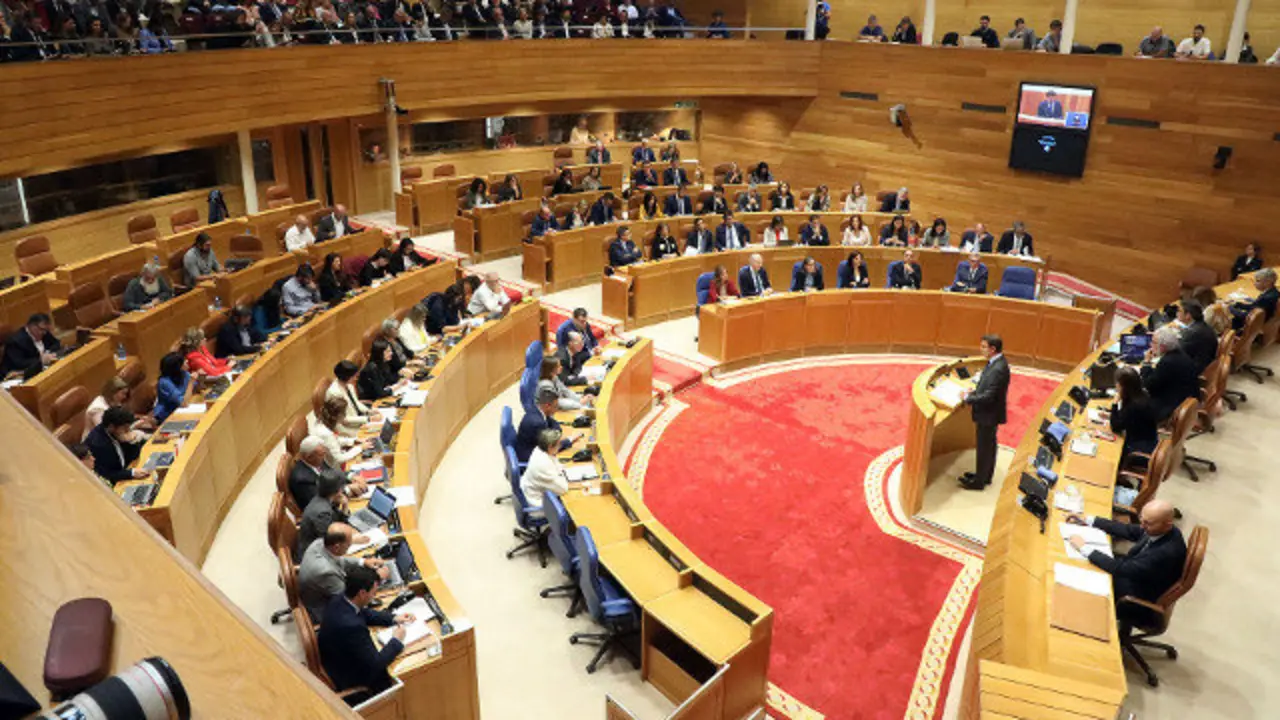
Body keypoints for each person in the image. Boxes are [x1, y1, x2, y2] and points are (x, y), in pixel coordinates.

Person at [1065, 500, 1186, 623]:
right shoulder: (1163, 529)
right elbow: (1128, 530)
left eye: (1147, 523)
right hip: (1135, 577)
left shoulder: (1165, 552)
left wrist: (1084, 548)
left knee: (1079, 579)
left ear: (1168, 524)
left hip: (1136, 598)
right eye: (1141, 520)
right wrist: (1089, 520)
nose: (1142, 526)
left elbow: (1122, 569)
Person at [318, 566, 415, 701]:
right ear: (362, 593)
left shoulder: (341, 599)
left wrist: (393, 618)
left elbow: (363, 612)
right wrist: (396, 641)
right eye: (373, 593)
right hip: (352, 677)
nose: (374, 596)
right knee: (405, 673)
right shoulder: (352, 627)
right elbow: (375, 665)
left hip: (336, 660)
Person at [299, 525, 387, 621]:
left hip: (322, 592)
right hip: (323, 611)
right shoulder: (325, 572)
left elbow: (339, 559)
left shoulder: (320, 543)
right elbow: (350, 599)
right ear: (337, 547)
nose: (349, 548)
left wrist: (364, 562)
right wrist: (376, 579)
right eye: (348, 545)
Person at [960, 335, 1010, 490]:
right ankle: (984, 475)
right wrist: (974, 391)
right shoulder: (996, 363)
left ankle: (979, 482)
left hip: (989, 414)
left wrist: (969, 398)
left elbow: (989, 396)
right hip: (990, 413)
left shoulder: (998, 368)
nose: (981, 349)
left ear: (993, 349)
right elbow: (986, 386)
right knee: (989, 445)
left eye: (983, 346)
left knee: (984, 447)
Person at [1141, 325, 1200, 421]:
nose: (1150, 345)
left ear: (1163, 346)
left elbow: (1148, 385)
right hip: (1184, 397)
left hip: (1171, 406)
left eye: (1154, 342)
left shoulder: (1167, 362)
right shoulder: (1179, 353)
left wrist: (1146, 363)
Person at [1107, 366, 1160, 467]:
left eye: (1118, 384)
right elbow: (1123, 418)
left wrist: (1114, 404)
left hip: (1139, 451)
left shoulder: (1134, 406)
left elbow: (1116, 427)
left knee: (1109, 451)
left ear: (1124, 387)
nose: (1116, 386)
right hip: (1149, 441)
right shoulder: (1142, 395)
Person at [84, 406, 148, 485]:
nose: (128, 431)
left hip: (125, 471)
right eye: (125, 428)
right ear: (111, 427)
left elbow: (134, 456)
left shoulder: (116, 432)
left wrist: (131, 441)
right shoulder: (99, 444)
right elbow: (106, 475)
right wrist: (131, 473)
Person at [515, 386, 576, 462]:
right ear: (547, 406)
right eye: (555, 407)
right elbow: (550, 448)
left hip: (530, 449)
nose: (557, 410)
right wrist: (569, 440)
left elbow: (553, 422)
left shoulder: (538, 410)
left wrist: (556, 433)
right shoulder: (537, 423)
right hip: (529, 459)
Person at [297, 472, 351, 558]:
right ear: (339, 491)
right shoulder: (322, 513)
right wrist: (352, 540)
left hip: (319, 546)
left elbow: (338, 522)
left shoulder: (322, 498)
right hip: (314, 556)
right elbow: (332, 543)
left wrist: (345, 507)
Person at [520, 427, 571, 514]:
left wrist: (560, 472)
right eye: (559, 444)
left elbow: (558, 467)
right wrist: (562, 475)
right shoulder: (543, 465)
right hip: (537, 505)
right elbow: (563, 489)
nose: (560, 447)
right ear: (550, 446)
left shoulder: (539, 449)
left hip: (532, 490)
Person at [154, 352, 197, 423]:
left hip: (182, 411)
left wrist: (201, 379)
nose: (187, 361)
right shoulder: (164, 382)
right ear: (178, 367)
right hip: (167, 416)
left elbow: (195, 390)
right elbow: (184, 403)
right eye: (183, 361)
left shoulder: (184, 374)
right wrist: (191, 382)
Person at [1176, 300, 1217, 374]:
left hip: (1197, 368)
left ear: (1188, 315)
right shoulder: (1202, 325)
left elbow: (1178, 352)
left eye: (1179, 311)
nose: (1177, 313)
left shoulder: (1192, 332)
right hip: (1207, 361)